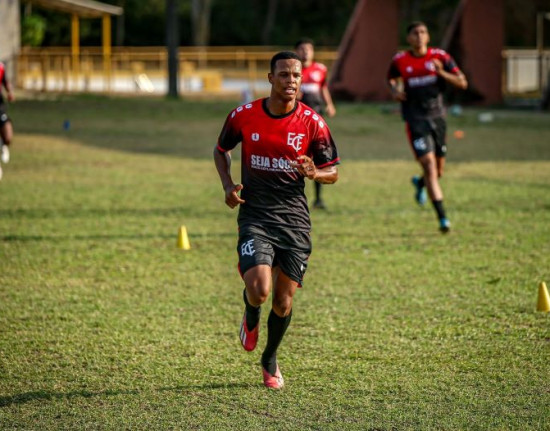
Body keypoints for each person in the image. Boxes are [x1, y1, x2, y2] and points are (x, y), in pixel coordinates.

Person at [214, 51, 339, 389]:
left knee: (283, 302)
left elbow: (334, 172)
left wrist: (316, 172)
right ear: (271, 78)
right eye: (283, 75)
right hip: (255, 214)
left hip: (294, 221)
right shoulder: (244, 116)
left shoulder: (313, 123)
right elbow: (221, 149)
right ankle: (251, 314)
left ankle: (269, 358)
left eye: (296, 75)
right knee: (259, 290)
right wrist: (228, 186)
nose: (291, 81)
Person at [387, 22, 467, 233]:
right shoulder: (400, 60)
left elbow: (462, 82)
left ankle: (420, 183)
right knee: (430, 166)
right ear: (409, 39)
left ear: (428, 36)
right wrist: (395, 91)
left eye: (423, 32)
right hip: (415, 120)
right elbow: (391, 79)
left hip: (438, 118)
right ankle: (443, 218)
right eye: (415, 33)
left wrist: (442, 74)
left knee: (438, 172)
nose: (420, 36)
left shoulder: (440, 57)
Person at [295, 38, 336, 210]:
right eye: (302, 49)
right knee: (298, 157)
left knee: (318, 158)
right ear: (297, 51)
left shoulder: (320, 69)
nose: (306, 52)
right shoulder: (293, 70)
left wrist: (329, 103)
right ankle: (295, 198)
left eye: (309, 49)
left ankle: (318, 199)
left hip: (317, 118)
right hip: (298, 121)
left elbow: (323, 87)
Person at [0, 61, 15, 181]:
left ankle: (4, 145)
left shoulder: (1, 67)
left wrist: (9, 92)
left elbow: (5, 81)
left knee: (8, 137)